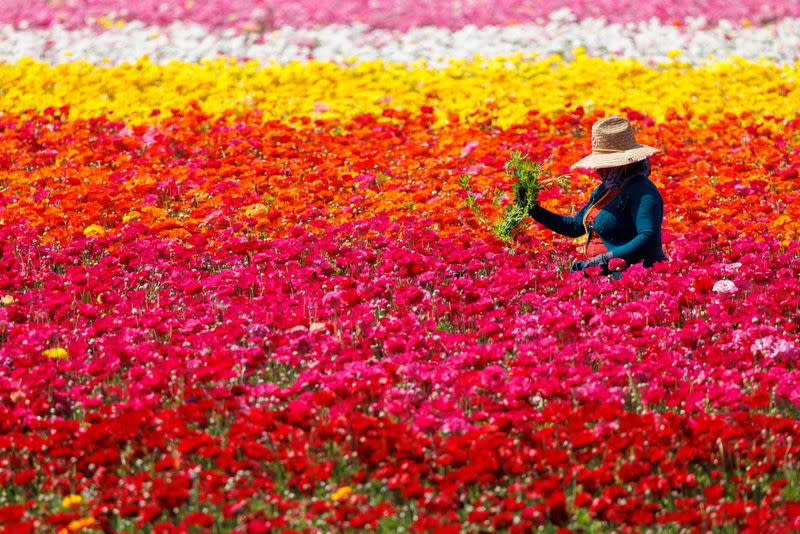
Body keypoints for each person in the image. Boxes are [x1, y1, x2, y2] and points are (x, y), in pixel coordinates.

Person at [527, 115, 666, 274]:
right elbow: (574, 227)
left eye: (605, 164)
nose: (598, 170)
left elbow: (647, 237)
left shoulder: (644, 192)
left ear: (624, 164)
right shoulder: (605, 189)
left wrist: (605, 260)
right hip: (600, 275)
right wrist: (534, 210)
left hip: (631, 276)